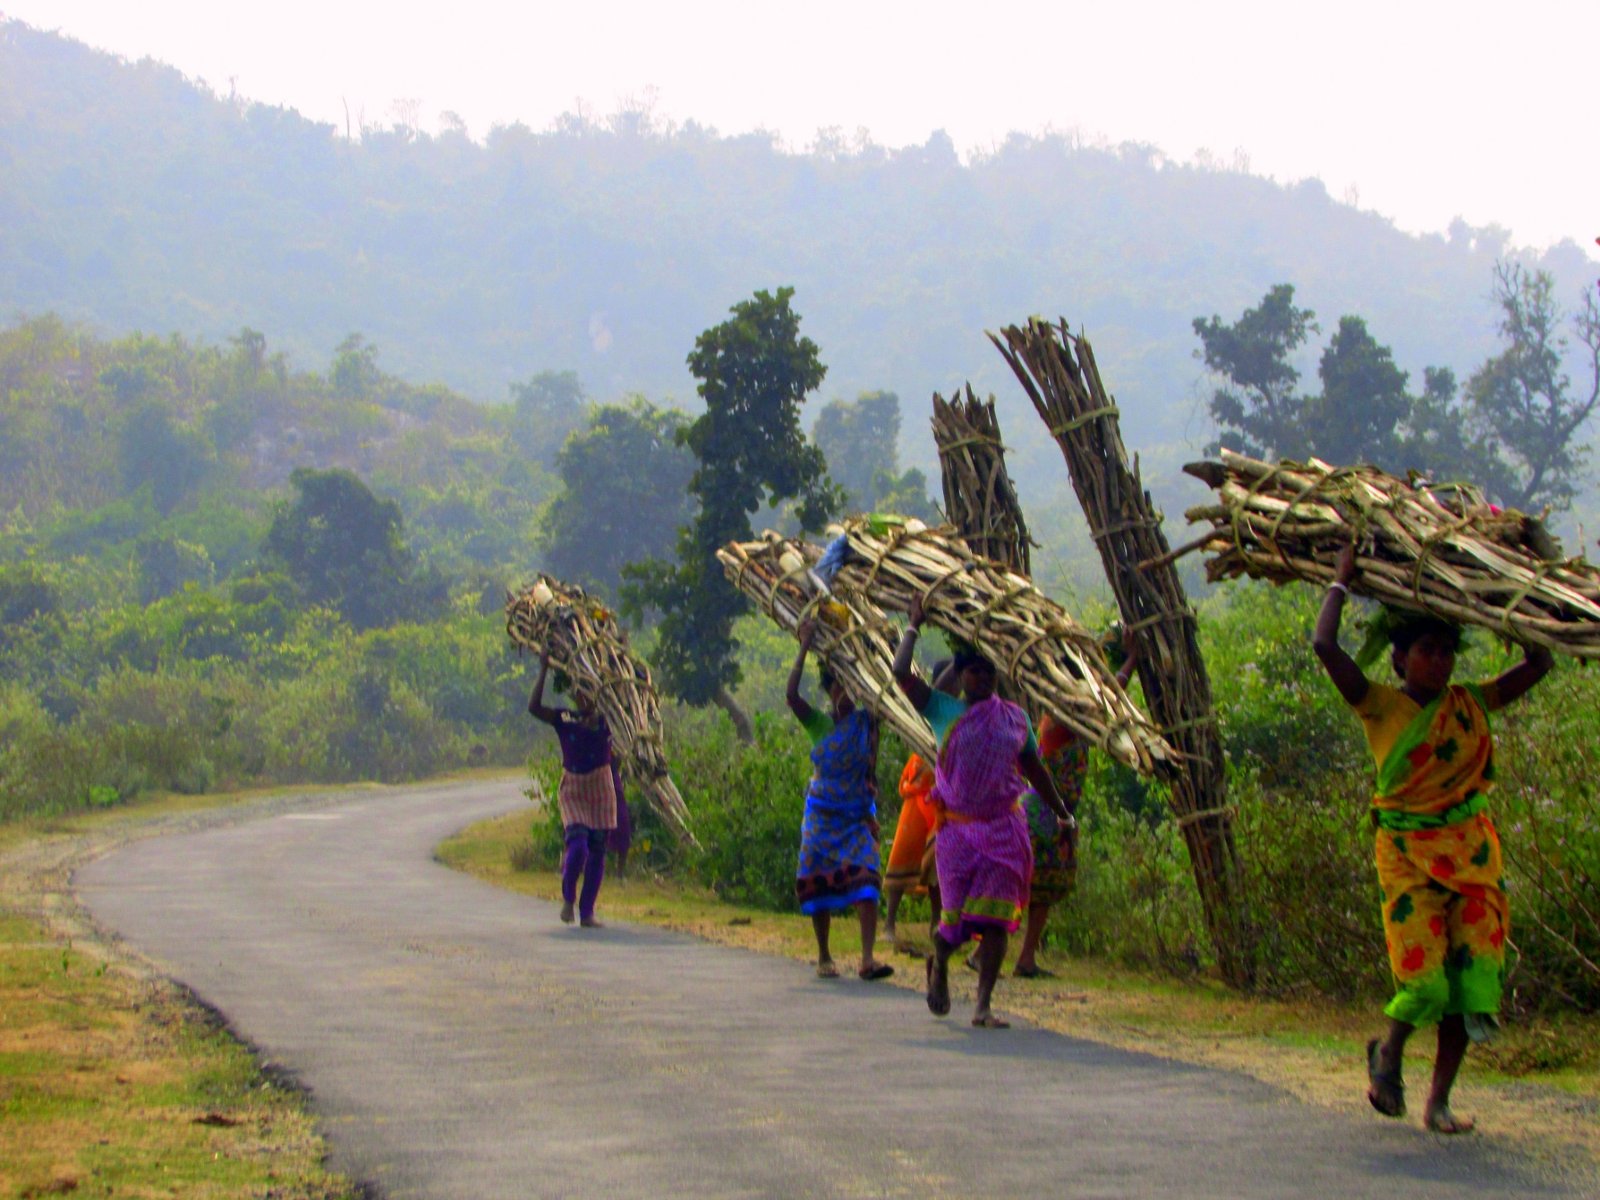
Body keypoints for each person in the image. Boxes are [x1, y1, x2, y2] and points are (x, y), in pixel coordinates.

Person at [1314, 543, 1552, 1134]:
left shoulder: (1471, 703)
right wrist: (1340, 581)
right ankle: (1389, 1049)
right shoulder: (1378, 705)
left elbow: (1540, 663)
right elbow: (1324, 646)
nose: (1439, 663)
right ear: (1398, 660)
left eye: (1447, 652)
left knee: (1470, 984)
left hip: (1472, 856)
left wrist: (1520, 601)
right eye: (1426, 651)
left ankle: (1439, 1101)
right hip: (1406, 858)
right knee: (1423, 980)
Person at [893, 594, 1072, 1028]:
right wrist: (914, 623)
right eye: (975, 670)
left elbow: (1035, 770)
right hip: (956, 834)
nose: (984, 678)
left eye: (990, 670)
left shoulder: (1014, 719)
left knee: (996, 921)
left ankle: (983, 1005)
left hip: (1005, 831)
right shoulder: (942, 710)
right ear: (962, 673)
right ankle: (939, 962)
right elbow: (900, 673)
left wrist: (1063, 813)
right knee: (952, 926)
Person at [1016, 629, 1140, 979]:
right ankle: (1016, 956)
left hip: (1047, 809)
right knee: (1037, 884)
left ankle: (1011, 954)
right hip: (1048, 811)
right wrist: (1131, 661)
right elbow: (1107, 701)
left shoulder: (1058, 709)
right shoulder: (1066, 711)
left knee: (1033, 885)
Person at [786, 620, 894, 982]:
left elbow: (871, 768)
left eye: (850, 686)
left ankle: (866, 958)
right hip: (821, 816)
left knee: (867, 878)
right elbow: (791, 696)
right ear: (829, 690)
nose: (844, 694)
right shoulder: (819, 724)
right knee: (817, 881)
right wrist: (804, 645)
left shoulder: (869, 722)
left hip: (857, 815)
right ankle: (824, 955)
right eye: (837, 686)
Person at [528, 649, 623, 928]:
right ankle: (568, 898)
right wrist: (544, 669)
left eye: (589, 692)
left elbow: (627, 732)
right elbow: (534, 708)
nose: (583, 697)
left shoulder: (609, 720)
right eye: (579, 692)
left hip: (601, 785)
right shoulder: (565, 718)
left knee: (597, 850)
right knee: (578, 845)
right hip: (574, 787)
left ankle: (588, 912)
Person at [882, 659, 957, 953]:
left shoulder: (958, 711)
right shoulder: (929, 705)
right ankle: (888, 923)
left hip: (941, 792)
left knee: (936, 861)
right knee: (902, 855)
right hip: (919, 786)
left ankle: (936, 923)